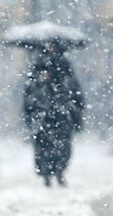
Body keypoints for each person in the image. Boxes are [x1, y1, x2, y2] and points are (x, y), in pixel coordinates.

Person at [23, 47, 84, 187]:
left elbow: (75, 93)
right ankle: (47, 174)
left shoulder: (64, 69)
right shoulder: (38, 68)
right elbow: (30, 96)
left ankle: (57, 172)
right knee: (44, 147)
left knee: (60, 147)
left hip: (60, 116)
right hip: (45, 116)